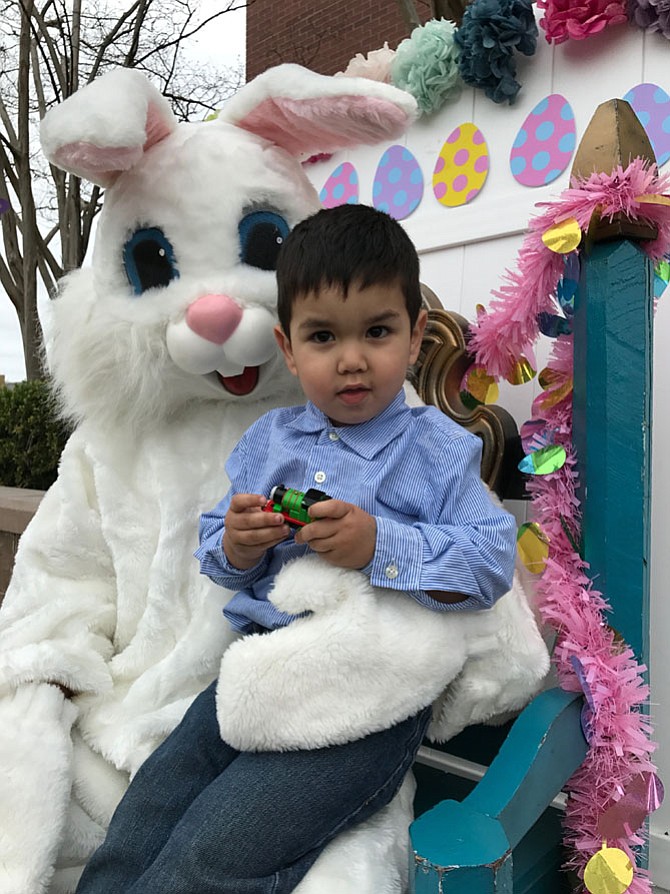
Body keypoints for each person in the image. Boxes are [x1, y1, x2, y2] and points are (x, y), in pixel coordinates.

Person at [75, 204, 516, 894]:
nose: (350, 359)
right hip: (251, 676)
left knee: (207, 858)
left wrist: (380, 543)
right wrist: (241, 545)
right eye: (322, 337)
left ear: (415, 334)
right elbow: (216, 551)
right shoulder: (270, 442)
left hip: (362, 704)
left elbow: (491, 561)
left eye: (376, 331)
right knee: (138, 824)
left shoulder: (435, 451)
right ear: (287, 348)